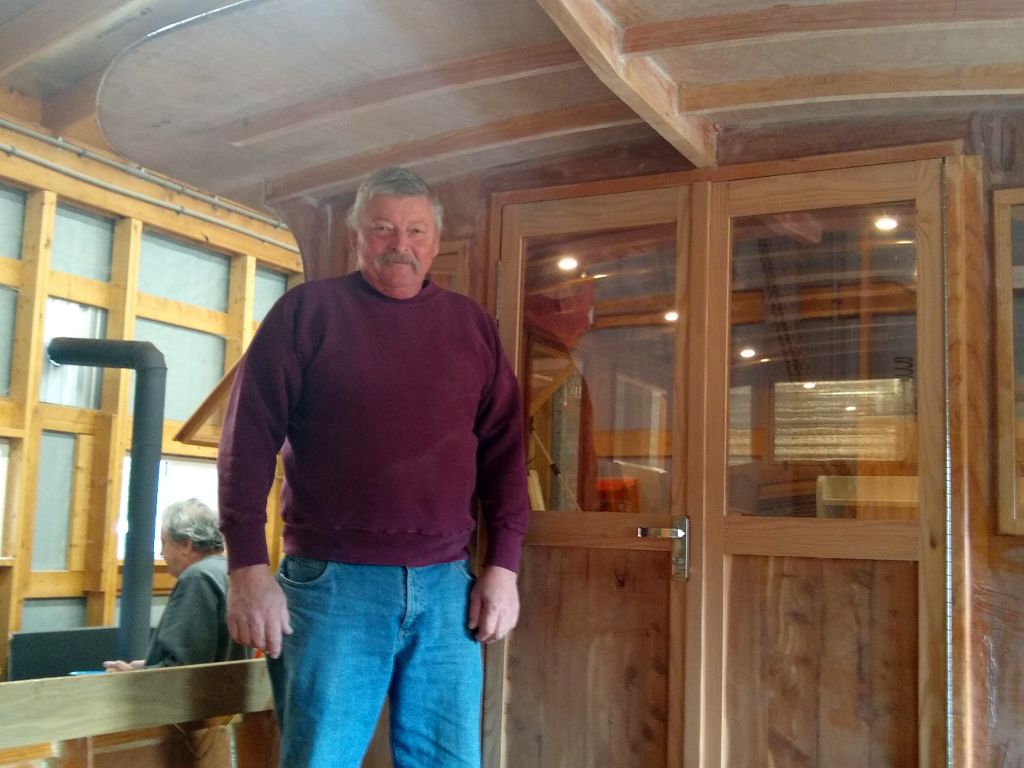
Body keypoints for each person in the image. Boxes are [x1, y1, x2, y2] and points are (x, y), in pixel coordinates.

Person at [217, 166, 530, 767]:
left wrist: (504, 567)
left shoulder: (472, 327)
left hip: (448, 588)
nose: (400, 244)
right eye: (383, 228)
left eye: (416, 230)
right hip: (331, 585)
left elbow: (505, 449)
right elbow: (245, 444)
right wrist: (247, 569)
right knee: (322, 759)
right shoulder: (306, 313)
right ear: (356, 235)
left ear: (435, 241)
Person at [103, 498, 249, 671]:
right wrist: (147, 666)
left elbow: (181, 669)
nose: (161, 552)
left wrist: (134, 677)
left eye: (164, 543)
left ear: (186, 545)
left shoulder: (197, 579)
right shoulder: (231, 573)